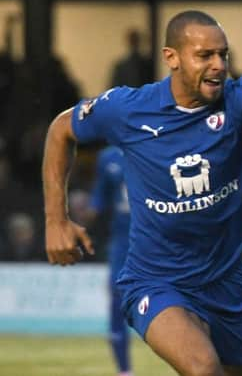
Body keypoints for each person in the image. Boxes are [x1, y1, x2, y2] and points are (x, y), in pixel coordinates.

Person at [42, 10, 242, 376]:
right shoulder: (128, 109)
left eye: (223, 54)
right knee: (203, 367)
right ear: (171, 58)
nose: (218, 65)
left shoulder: (241, 99)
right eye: (204, 56)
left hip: (228, 282)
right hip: (156, 281)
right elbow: (61, 130)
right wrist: (55, 219)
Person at [87, 146, 133, 376]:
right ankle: (124, 370)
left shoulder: (161, 142)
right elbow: (99, 200)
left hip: (159, 238)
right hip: (122, 242)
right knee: (116, 298)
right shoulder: (108, 157)